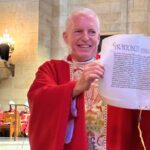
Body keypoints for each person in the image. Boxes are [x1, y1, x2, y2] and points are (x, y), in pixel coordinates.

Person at [27, 7, 150, 150]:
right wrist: (75, 88)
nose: (85, 37)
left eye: (92, 32)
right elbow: (39, 100)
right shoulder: (51, 69)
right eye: (78, 31)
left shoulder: (120, 68)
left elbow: (144, 106)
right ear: (66, 37)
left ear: (98, 38)